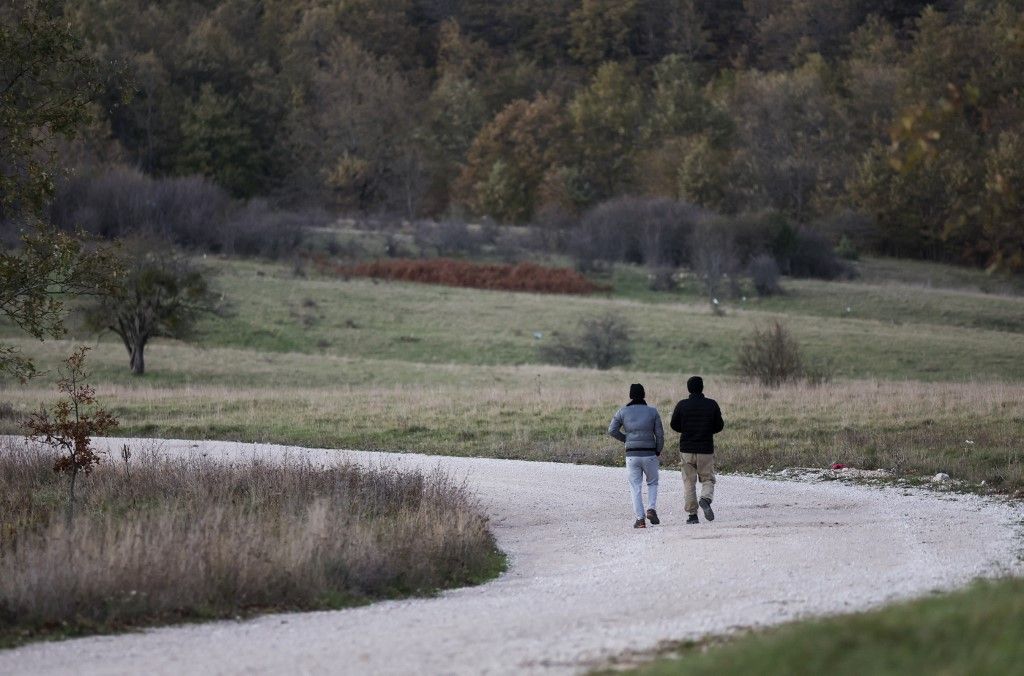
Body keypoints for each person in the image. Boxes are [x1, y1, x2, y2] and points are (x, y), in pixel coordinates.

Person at [608, 383, 664, 529]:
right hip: (650, 453)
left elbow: (612, 430)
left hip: (632, 454)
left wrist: (626, 439)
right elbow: (659, 434)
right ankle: (651, 508)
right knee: (652, 482)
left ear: (630, 395)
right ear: (644, 394)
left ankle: (640, 519)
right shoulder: (653, 412)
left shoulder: (622, 411)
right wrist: (658, 449)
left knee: (635, 487)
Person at [669, 376, 724, 525]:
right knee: (707, 479)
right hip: (705, 449)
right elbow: (719, 426)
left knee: (689, 482)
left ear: (688, 389)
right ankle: (705, 499)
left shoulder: (682, 405)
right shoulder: (711, 405)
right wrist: (707, 430)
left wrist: (685, 429)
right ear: (702, 388)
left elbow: (674, 425)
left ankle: (693, 515)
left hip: (687, 449)